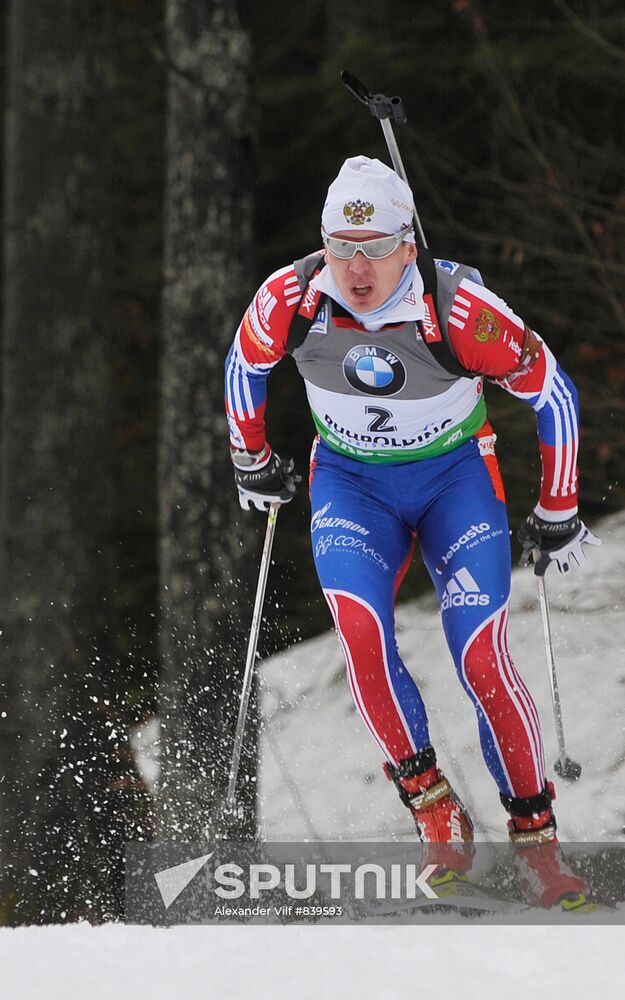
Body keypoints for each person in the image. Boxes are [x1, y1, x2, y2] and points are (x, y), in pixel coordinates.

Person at [225, 155, 600, 908]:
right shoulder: (290, 297)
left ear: (408, 242)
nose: (356, 268)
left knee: (481, 657)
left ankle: (537, 849)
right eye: (340, 247)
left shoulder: (458, 309)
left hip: (453, 482)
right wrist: (251, 458)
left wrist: (556, 508)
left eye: (374, 248)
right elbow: (244, 364)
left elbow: (550, 391)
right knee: (360, 635)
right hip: (352, 484)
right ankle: (436, 814)